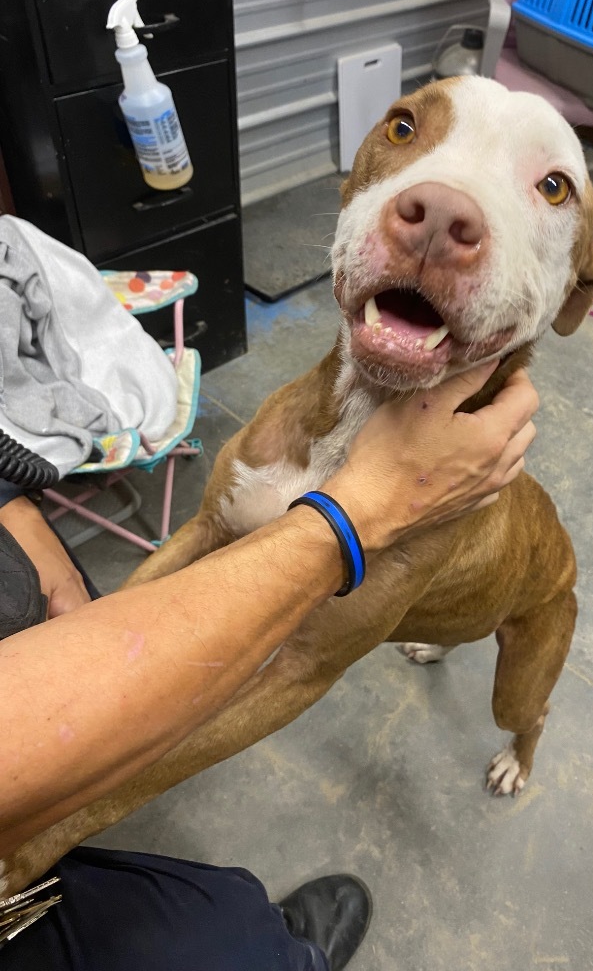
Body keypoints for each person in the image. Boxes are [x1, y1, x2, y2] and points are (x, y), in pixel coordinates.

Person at [0, 361, 538, 971]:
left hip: (524, 599)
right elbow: (209, 530)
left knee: (515, 709)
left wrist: (13, 504)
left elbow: (301, 664)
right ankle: (293, 950)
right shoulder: (286, 420)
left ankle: (529, 739)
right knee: (232, 927)